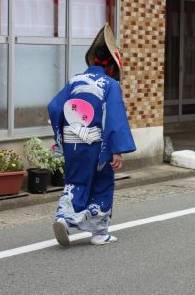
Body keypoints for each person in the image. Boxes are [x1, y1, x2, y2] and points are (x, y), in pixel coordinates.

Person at [47, 23, 136, 246]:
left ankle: (64, 219)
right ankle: (98, 233)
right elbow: (114, 117)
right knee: (102, 183)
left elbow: (55, 107)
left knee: (75, 181)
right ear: (112, 68)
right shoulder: (110, 84)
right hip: (97, 145)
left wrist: (61, 138)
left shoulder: (74, 80)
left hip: (72, 142)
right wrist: (116, 150)